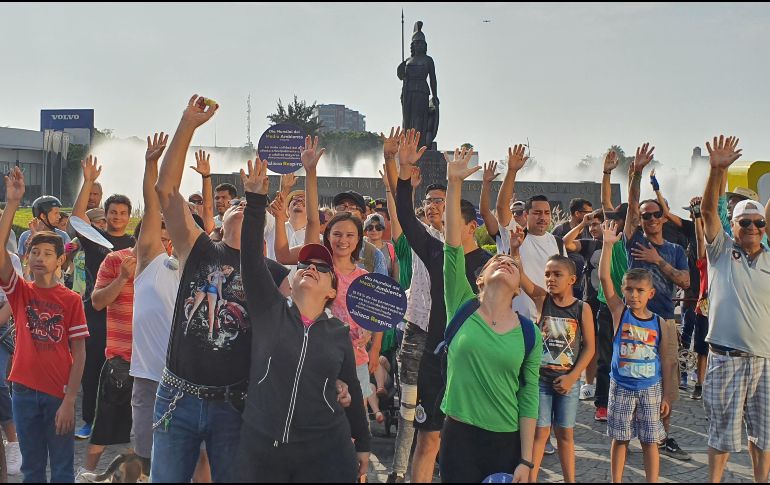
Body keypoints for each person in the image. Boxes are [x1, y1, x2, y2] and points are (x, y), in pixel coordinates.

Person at [151, 96, 291, 483]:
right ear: (222, 215)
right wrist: (187, 125)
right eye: (237, 203)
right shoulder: (198, 249)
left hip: (235, 404)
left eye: (251, 204)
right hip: (177, 397)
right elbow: (166, 190)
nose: (243, 206)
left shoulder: (275, 275)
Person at [234, 157, 370, 482]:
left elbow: (350, 385)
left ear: (332, 292)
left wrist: (363, 443)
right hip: (263, 449)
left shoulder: (338, 333)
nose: (311, 268)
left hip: (324, 451)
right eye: (304, 265)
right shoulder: (269, 311)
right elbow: (251, 257)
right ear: (290, 281)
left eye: (322, 268)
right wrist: (255, 201)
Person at [390, 130, 491, 483]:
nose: (444, 226)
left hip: (475, 362)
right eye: (442, 220)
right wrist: (403, 172)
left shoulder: (489, 266)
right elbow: (404, 214)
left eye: (453, 222)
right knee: (428, 437)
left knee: (466, 440)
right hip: (436, 356)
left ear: (472, 227)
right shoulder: (435, 252)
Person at [438, 145, 538, 483]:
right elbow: (453, 244)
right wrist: (454, 184)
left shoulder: (528, 332)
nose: (506, 261)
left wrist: (526, 459)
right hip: (459, 435)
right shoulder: (462, 304)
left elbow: (529, 395)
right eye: (498, 259)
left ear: (518, 287)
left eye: (512, 262)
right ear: (481, 276)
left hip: (505, 439)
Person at [0, 167, 88, 483]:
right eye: (34, 252)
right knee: (31, 469)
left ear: (59, 260)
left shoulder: (71, 300)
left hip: (58, 394)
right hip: (23, 392)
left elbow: (79, 354)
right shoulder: (21, 291)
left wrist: (70, 400)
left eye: (47, 253)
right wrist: (12, 203)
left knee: (63, 469)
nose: (39, 258)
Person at [700, 135, 770, 483]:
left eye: (759, 224)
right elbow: (709, 212)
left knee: (764, 436)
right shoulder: (721, 252)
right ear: (735, 225)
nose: (753, 229)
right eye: (746, 223)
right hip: (726, 357)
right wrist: (717, 170)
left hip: (765, 361)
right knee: (722, 437)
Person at [623, 143, 690, 462]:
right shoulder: (634, 239)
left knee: (668, 381)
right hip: (634, 321)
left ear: (663, 217)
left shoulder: (675, 250)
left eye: (654, 215)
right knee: (635, 377)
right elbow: (633, 203)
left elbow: (685, 281)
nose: (649, 218)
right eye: (645, 215)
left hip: (665, 321)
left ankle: (662, 433)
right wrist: (635, 173)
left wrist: (657, 261)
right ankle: (631, 430)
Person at [599, 218, 675, 483]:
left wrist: (667, 394)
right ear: (623, 290)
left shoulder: (660, 323)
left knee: (649, 441)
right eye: (629, 289)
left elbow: (666, 361)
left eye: (640, 290)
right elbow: (604, 277)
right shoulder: (619, 313)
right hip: (621, 386)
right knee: (620, 439)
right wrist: (608, 245)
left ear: (650, 294)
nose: (634, 295)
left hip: (650, 388)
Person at [516, 248, 595, 483]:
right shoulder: (542, 300)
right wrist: (515, 249)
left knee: (565, 434)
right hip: (541, 380)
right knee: (540, 433)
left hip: (568, 382)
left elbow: (589, 347)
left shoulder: (582, 308)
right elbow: (522, 278)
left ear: (572, 279)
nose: (550, 279)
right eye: (547, 274)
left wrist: (573, 377)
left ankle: (570, 479)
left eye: (557, 274)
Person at [71, 157, 136, 441]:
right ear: (105, 214)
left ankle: (126, 423)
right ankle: (89, 420)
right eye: (113, 212)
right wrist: (88, 181)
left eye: (123, 213)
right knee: (92, 366)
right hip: (96, 313)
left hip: (126, 317)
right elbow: (75, 218)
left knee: (127, 370)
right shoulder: (95, 238)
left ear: (129, 216)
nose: (117, 217)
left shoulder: (136, 246)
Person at [129, 133, 177, 476]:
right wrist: (151, 165)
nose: (160, 228)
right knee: (145, 458)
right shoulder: (148, 261)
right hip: (148, 377)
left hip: (186, 379)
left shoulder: (197, 267)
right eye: (157, 226)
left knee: (185, 457)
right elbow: (152, 204)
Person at [77, 229, 137, 481]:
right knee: (102, 431)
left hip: (158, 364)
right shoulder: (117, 260)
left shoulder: (173, 262)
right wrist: (123, 277)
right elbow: (98, 301)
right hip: (120, 362)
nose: (163, 241)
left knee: (142, 436)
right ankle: (86, 475)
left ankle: (132, 477)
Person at [594, 150, 630, 422]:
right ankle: (602, 403)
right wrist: (606, 173)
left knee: (629, 359)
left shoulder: (637, 241)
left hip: (633, 308)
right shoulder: (613, 235)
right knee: (605, 357)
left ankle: (626, 402)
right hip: (609, 303)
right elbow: (606, 201)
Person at [562, 210, 604, 401]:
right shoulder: (590, 244)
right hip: (591, 302)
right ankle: (588, 383)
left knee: (609, 344)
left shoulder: (621, 243)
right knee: (590, 342)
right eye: (591, 225)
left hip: (613, 302)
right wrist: (581, 225)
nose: (593, 228)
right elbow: (566, 242)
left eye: (597, 224)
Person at [364, 213, 398, 280]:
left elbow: (396, 278)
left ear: (383, 229)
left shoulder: (391, 249)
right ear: (366, 230)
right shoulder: (360, 248)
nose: (374, 230)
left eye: (378, 227)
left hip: (384, 288)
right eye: (370, 227)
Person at [189, 150, 216, 234]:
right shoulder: (180, 226)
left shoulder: (206, 226)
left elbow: (208, 207)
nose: (195, 205)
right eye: (193, 202)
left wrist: (206, 176)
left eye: (200, 202)